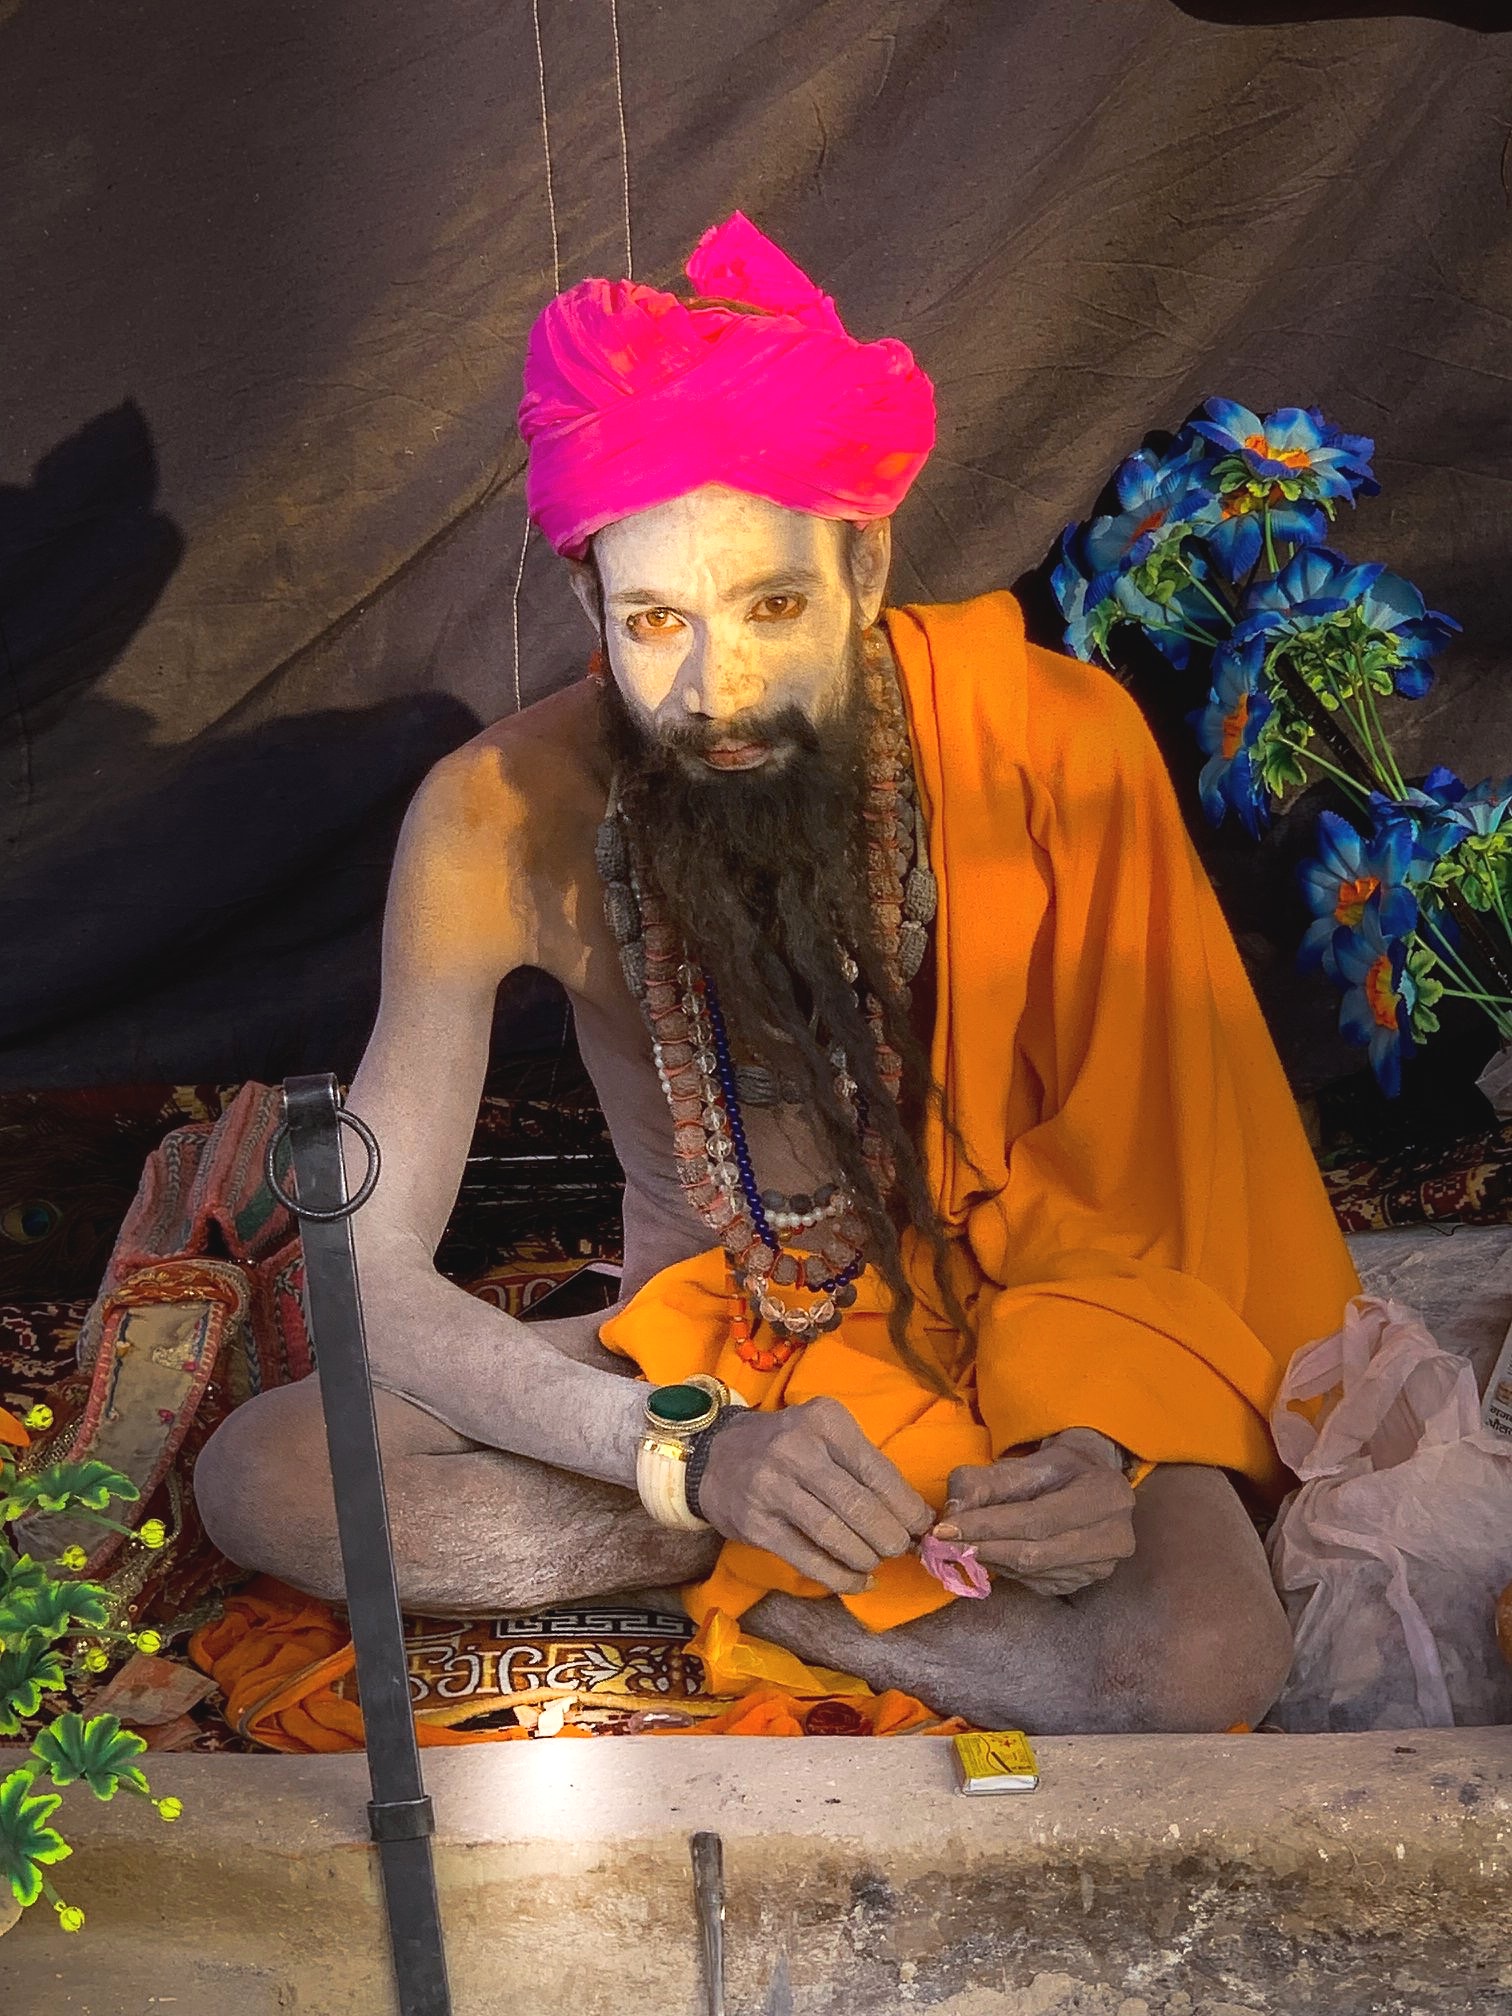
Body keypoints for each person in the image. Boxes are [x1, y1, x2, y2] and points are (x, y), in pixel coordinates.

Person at [194, 214, 1360, 1734]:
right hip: (711, 1356)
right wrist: (681, 1451)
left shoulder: (1059, 742)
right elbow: (367, 1271)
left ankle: (783, 1576)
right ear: (589, 606)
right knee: (262, 1473)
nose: (717, 690)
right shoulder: (490, 817)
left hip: (1036, 1340)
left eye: (773, 609)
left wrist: (1104, 1441)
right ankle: (798, 1561)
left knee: (1210, 1658)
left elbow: (1155, 1176)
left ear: (864, 566)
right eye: (656, 622)